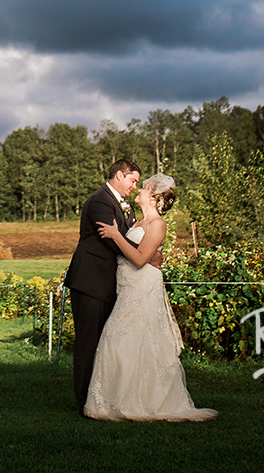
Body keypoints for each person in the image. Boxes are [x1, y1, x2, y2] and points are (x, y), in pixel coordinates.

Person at [84, 175, 217, 421]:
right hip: (127, 285)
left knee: (133, 338)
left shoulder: (157, 224)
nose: (140, 191)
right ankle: (115, 401)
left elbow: (138, 258)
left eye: (145, 189)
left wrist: (115, 236)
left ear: (155, 199)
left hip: (142, 286)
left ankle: (143, 400)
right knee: (120, 339)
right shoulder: (138, 221)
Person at [65, 159, 141, 415]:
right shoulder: (99, 201)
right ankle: (84, 402)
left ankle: (101, 397)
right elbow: (111, 240)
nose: (133, 187)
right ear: (119, 175)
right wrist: (143, 253)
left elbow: (124, 235)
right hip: (91, 282)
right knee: (88, 342)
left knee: (104, 343)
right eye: (133, 181)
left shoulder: (124, 205)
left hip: (109, 283)